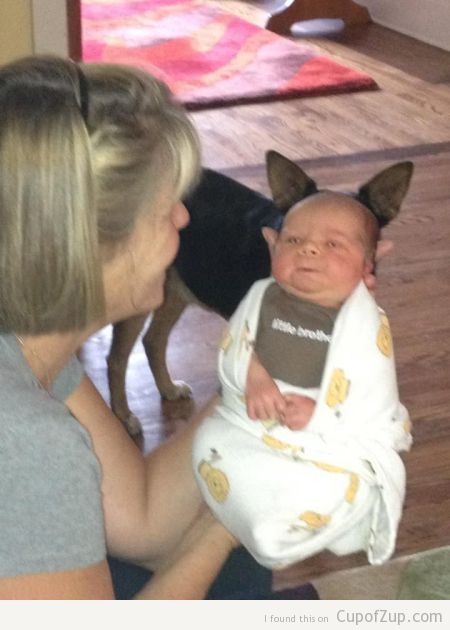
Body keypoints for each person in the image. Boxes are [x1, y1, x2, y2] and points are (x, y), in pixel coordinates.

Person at [0, 55, 241, 599]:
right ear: (90, 244)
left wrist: (266, 350)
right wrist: (229, 528)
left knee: (236, 569)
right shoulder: (23, 436)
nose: (184, 218)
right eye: (166, 207)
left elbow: (145, 519)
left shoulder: (22, 336)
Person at [193, 193, 412, 570]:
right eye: (293, 240)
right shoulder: (261, 296)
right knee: (207, 442)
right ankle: (259, 516)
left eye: (333, 244)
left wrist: (320, 412)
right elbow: (235, 342)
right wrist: (253, 376)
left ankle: (295, 524)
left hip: (323, 433)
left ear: (367, 267)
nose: (309, 249)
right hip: (254, 419)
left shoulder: (366, 322)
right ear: (273, 248)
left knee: (336, 485)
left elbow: (373, 391)